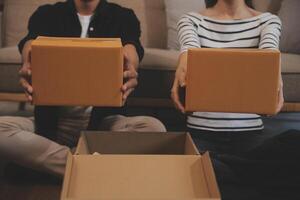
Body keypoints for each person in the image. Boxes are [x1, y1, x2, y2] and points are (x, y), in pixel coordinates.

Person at [0, 0, 166, 176]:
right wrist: (28, 61)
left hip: (103, 126)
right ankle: (87, 166)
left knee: (154, 128)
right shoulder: (47, 13)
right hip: (50, 124)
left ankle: (58, 166)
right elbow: (30, 43)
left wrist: (131, 65)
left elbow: (131, 47)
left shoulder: (123, 16)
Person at [171, 0, 283, 155]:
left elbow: (270, 54)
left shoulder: (267, 21)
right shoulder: (191, 20)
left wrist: (275, 76)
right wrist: (184, 60)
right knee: (206, 171)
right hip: (201, 134)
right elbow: (188, 50)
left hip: (250, 135)